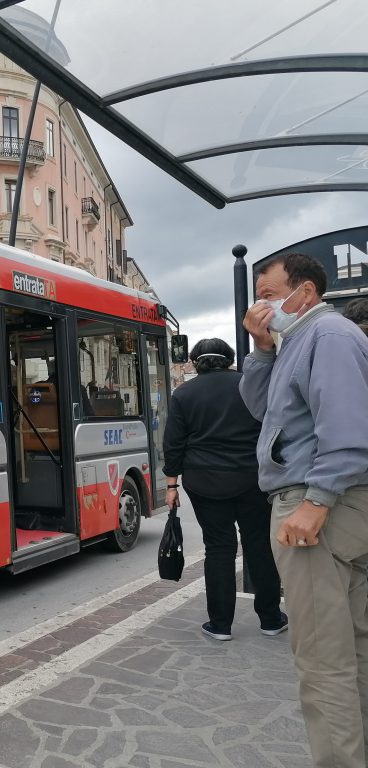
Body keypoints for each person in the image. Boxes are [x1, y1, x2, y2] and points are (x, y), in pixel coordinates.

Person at [240, 252, 368, 768]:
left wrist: (316, 502)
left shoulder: (328, 337)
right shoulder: (303, 340)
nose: (261, 306)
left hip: (317, 505)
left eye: (269, 295)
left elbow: (348, 428)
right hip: (329, 503)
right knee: (354, 648)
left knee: (322, 658)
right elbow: (262, 410)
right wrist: (261, 347)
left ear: (306, 292)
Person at [162, 338, 285, 642]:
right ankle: (270, 618)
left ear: (194, 361)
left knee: (219, 548)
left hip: (204, 481)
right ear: (229, 359)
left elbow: (173, 443)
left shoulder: (184, 393)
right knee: (259, 545)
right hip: (252, 478)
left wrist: (171, 484)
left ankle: (220, 625)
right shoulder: (250, 385)